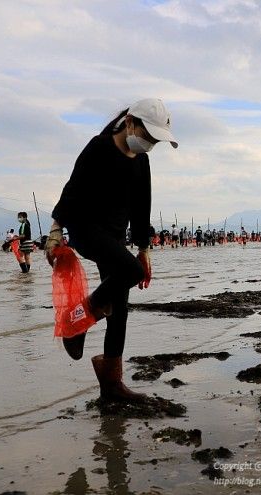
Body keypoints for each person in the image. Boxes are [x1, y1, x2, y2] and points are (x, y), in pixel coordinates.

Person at [45, 98, 178, 402]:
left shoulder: (141, 162)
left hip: (116, 237)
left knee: (119, 312)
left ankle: (111, 388)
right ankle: (76, 323)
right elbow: (73, 189)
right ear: (130, 123)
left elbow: (142, 207)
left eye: (155, 141)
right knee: (129, 271)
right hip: (85, 230)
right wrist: (55, 231)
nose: (149, 144)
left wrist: (145, 249)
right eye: (148, 136)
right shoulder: (99, 147)